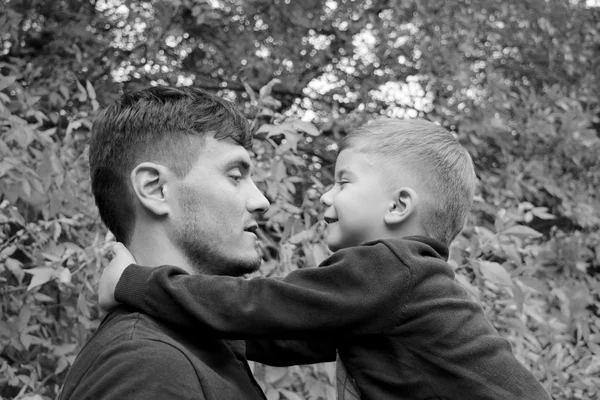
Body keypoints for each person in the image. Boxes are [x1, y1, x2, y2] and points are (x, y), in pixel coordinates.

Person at [99, 118, 552, 400]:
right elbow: (277, 335)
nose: (324, 194)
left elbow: (257, 306)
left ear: (398, 207)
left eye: (343, 182)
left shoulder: (391, 268)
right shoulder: (393, 295)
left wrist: (134, 283)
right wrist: (188, 324)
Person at [59, 86, 271, 400]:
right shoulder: (146, 365)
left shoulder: (192, 340)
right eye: (236, 175)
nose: (261, 201)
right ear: (155, 189)